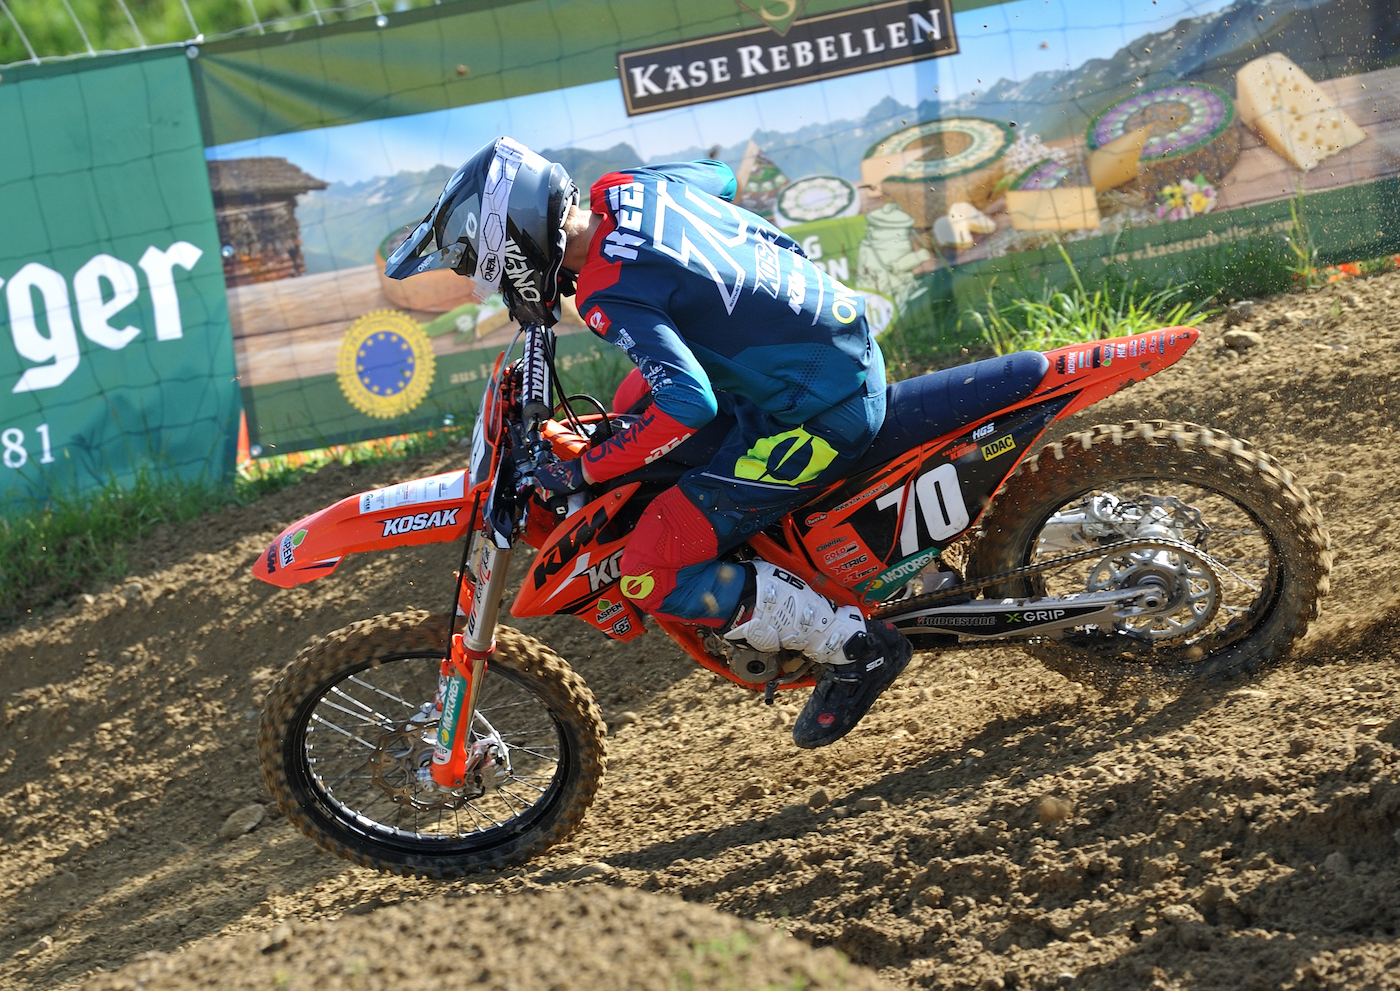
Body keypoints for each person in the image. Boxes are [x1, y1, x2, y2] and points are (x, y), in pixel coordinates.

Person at [385, 136, 911, 749]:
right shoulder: (624, 187)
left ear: (519, 246)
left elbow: (689, 404)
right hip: (829, 341)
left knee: (650, 570)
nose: (499, 287)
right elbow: (720, 177)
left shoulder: (607, 290)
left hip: (819, 410)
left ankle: (856, 648)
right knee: (634, 396)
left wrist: (585, 471)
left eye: (492, 270)